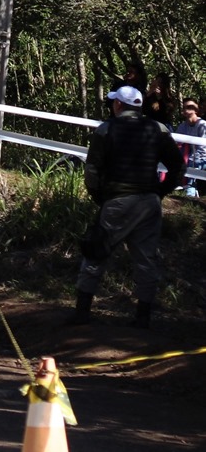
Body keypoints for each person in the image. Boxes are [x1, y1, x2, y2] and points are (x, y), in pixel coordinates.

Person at [69, 85, 185, 328]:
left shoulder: (107, 129)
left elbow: (92, 171)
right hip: (149, 202)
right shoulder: (158, 129)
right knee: (146, 258)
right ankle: (143, 317)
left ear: (118, 105)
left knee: (96, 250)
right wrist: (160, 192)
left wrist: (99, 197)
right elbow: (178, 166)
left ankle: (82, 312)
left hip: (118, 200)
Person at [175, 98, 206, 198]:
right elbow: (176, 143)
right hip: (188, 158)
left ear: (196, 110)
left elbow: (203, 151)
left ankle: (190, 195)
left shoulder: (203, 125)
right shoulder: (182, 126)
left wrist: (189, 160)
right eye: (184, 107)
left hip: (201, 159)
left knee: (192, 166)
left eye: (189, 107)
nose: (186, 110)